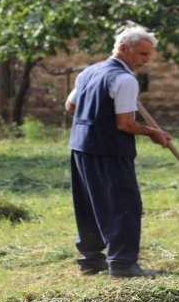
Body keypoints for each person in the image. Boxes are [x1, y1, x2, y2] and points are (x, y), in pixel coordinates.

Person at [65, 25, 171, 278]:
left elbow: (70, 105)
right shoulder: (124, 80)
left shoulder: (89, 71)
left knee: (89, 204)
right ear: (124, 49)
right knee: (123, 204)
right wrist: (153, 133)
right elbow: (124, 124)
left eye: (148, 55)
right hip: (109, 150)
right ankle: (123, 265)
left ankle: (91, 260)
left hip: (81, 146)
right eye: (143, 54)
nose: (145, 61)